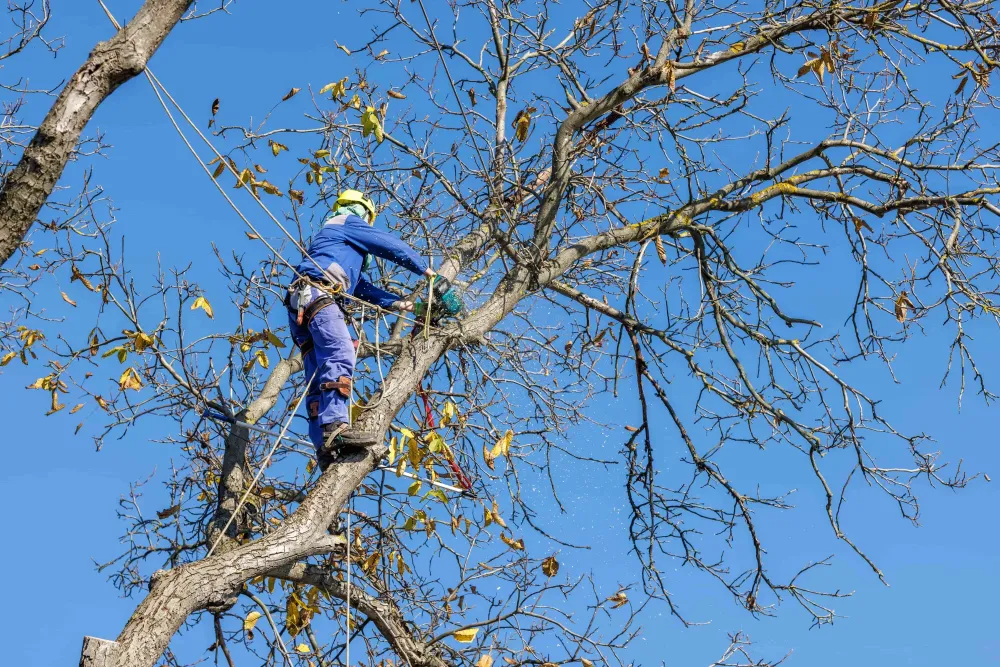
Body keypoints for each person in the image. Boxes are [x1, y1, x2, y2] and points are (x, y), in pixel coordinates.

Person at [286, 189, 436, 470]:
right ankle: (335, 427)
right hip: (319, 295)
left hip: (303, 304)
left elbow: (361, 288)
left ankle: (324, 449)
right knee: (341, 352)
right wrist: (424, 269)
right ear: (362, 212)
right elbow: (386, 243)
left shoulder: (338, 248)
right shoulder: (346, 222)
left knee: (318, 375)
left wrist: (398, 303)